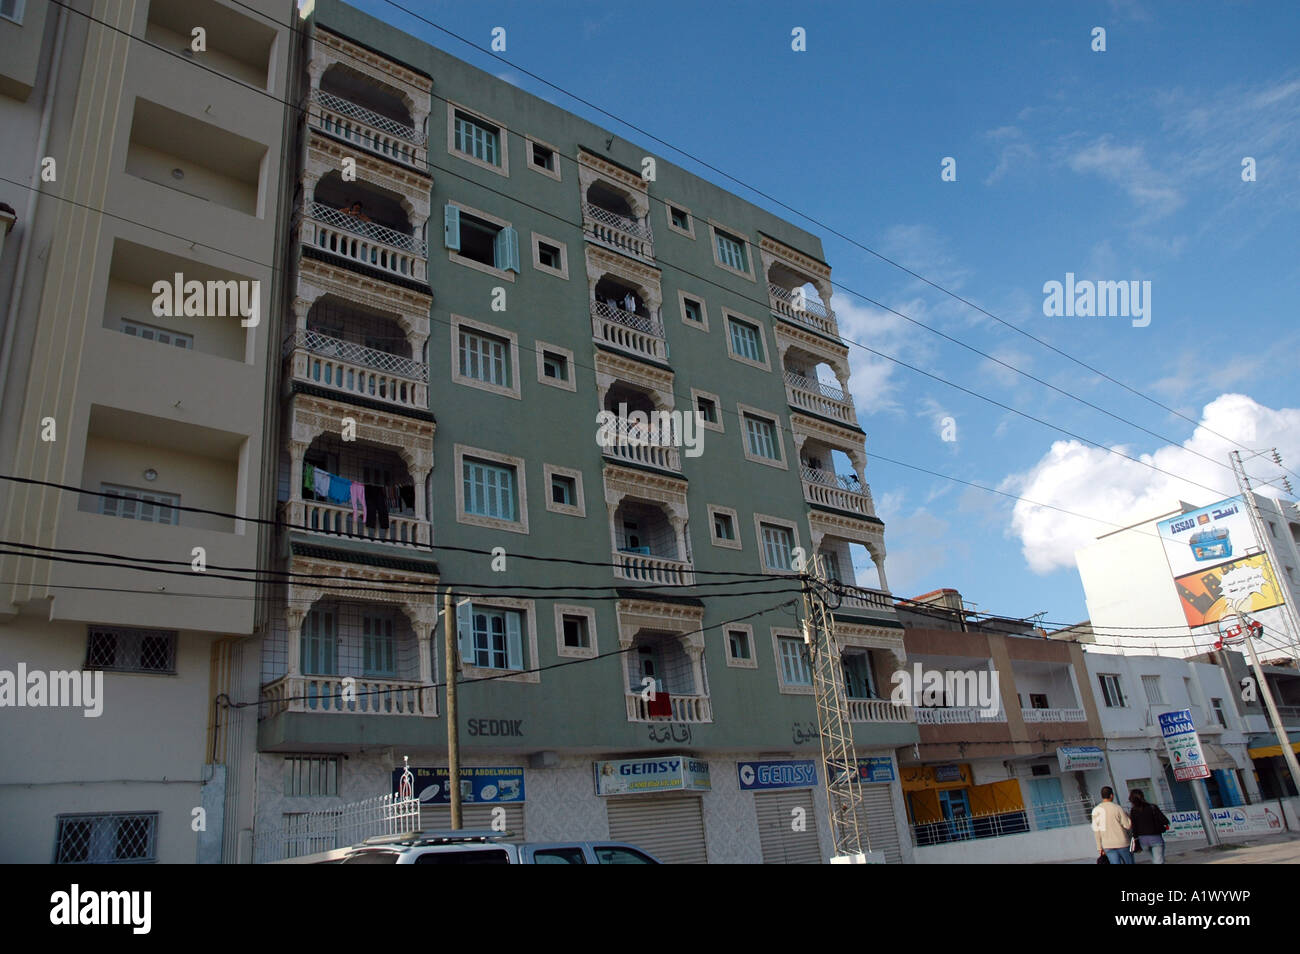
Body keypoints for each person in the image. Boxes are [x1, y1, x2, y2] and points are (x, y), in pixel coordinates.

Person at [1092, 786, 1133, 864]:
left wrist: (1099, 847)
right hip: (1122, 843)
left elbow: (1096, 831)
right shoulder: (1117, 808)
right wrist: (1128, 818)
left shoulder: (1096, 810)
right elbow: (1127, 825)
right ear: (1111, 795)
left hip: (1107, 845)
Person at [1129, 789, 1171, 864]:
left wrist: (1136, 839)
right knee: (1159, 860)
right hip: (1155, 838)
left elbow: (1134, 828)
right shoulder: (1152, 807)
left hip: (1143, 841)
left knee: (1154, 859)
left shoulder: (1133, 810)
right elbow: (1165, 821)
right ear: (1143, 796)